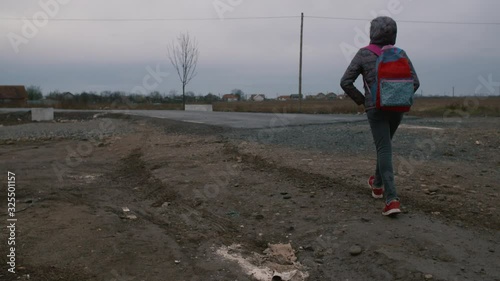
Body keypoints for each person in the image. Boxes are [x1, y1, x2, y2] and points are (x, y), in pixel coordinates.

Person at [340, 16, 420, 216]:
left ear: (372, 33)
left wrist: (363, 100)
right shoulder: (400, 54)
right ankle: (377, 185)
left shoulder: (363, 54)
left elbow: (345, 82)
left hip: (375, 109)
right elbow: (415, 82)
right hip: (398, 108)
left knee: (384, 148)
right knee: (384, 146)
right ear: (394, 34)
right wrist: (398, 96)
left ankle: (392, 199)